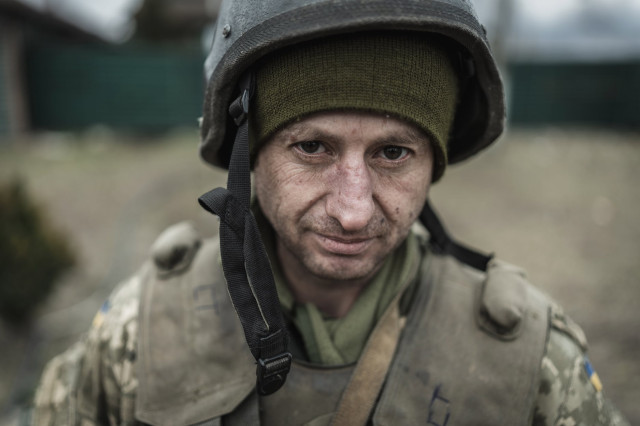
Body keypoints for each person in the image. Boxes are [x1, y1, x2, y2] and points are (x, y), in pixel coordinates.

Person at [31, 1, 629, 425]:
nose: (352, 211)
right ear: (249, 154)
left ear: (434, 163)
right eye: (312, 147)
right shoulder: (138, 335)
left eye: (393, 153)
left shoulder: (532, 363)